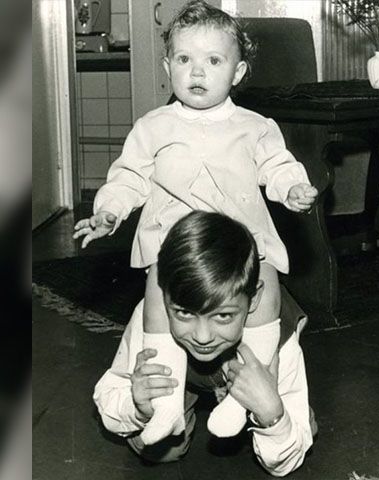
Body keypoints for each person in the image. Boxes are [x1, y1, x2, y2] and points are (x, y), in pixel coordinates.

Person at [74, 0, 318, 445]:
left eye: (213, 61)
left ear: (238, 72)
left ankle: (246, 396)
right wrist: (110, 210)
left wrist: (292, 188)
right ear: (168, 67)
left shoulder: (255, 126)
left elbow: (277, 165)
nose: (198, 72)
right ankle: (165, 405)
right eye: (185, 59)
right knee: (157, 288)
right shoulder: (153, 127)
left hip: (241, 249)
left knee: (266, 287)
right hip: (176, 250)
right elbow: (129, 176)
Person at [93, 211, 316, 476]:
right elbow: (109, 395)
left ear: (254, 300)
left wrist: (272, 414)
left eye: (223, 316)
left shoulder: (273, 338)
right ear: (163, 300)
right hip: (186, 377)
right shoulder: (153, 319)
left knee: (290, 432)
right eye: (184, 313)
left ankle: (261, 406)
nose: (202, 337)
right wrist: (138, 407)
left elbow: (284, 466)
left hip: (252, 377)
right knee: (158, 448)